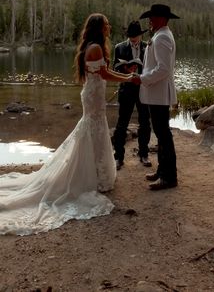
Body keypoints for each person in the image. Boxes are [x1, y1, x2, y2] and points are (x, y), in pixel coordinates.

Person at [0, 13, 133, 236]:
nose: (109, 27)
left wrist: (121, 75)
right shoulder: (96, 48)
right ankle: (92, 176)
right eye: (106, 24)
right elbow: (105, 74)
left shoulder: (91, 46)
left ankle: (96, 173)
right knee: (93, 128)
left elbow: (102, 73)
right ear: (99, 27)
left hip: (92, 93)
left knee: (93, 129)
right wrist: (128, 78)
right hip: (93, 94)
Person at [132, 4, 180, 190]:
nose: (149, 21)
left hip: (159, 95)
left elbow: (163, 69)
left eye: (152, 18)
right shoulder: (161, 35)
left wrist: (142, 78)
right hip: (157, 94)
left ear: (161, 19)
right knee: (161, 134)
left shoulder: (162, 38)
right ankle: (162, 171)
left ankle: (169, 177)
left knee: (164, 135)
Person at [112, 20, 152, 170]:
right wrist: (126, 69)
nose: (133, 38)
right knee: (122, 124)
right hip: (126, 89)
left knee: (145, 123)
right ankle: (119, 157)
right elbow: (114, 68)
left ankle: (144, 154)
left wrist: (142, 73)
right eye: (130, 36)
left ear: (140, 36)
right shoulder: (119, 47)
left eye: (135, 36)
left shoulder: (148, 47)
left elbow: (152, 68)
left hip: (143, 89)